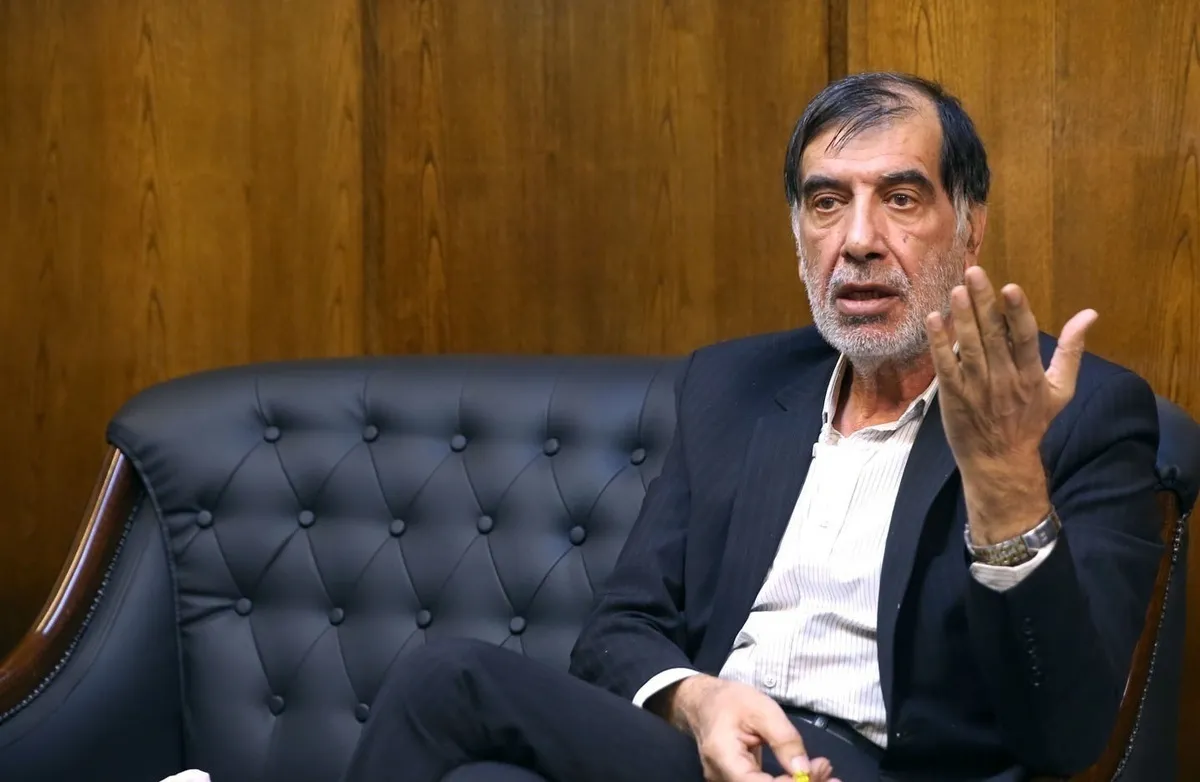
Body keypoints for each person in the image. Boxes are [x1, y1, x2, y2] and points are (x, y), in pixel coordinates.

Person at [339, 72, 1162, 782]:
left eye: (901, 199)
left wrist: (1006, 482)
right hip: (712, 752)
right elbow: (622, 628)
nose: (859, 241)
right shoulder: (734, 387)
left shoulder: (1078, 413)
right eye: (827, 203)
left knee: (449, 681)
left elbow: (1067, 735)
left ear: (971, 223)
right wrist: (697, 700)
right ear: (798, 231)